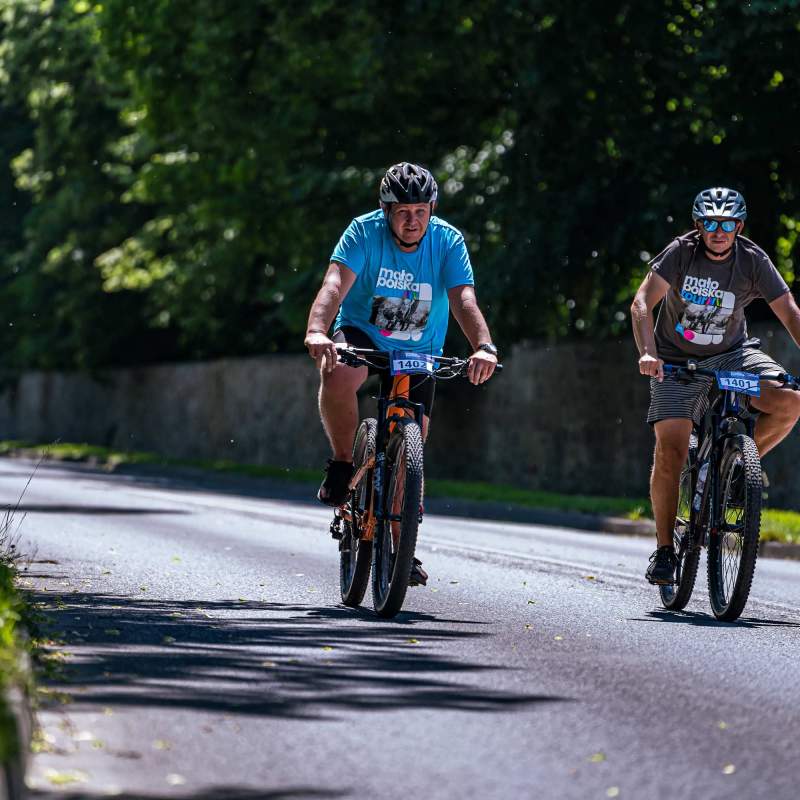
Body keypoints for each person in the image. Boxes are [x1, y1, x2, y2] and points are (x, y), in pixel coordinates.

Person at [304, 162, 498, 585]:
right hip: (363, 334)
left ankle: (401, 549)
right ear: (386, 210)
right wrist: (318, 330)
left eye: (420, 212)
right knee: (337, 375)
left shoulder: (447, 241)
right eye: (402, 212)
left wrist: (483, 345)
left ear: (432, 208)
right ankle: (341, 464)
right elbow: (334, 283)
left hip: (420, 348)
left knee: (412, 451)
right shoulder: (362, 232)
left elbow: (464, 298)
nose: (412, 222)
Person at [631, 187, 800, 585]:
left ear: (738, 226)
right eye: (710, 223)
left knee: (790, 402)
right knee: (671, 448)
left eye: (726, 224)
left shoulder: (753, 259)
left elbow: (790, 312)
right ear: (699, 225)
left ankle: (737, 468)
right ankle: (665, 551)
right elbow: (642, 302)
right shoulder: (680, 253)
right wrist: (647, 352)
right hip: (674, 360)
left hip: (732, 355)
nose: (718, 231)